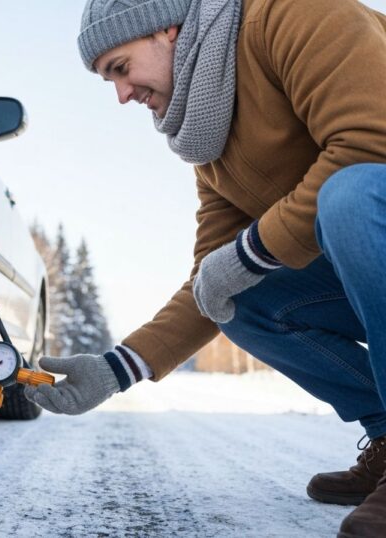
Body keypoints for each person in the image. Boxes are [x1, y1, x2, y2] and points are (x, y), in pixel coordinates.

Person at [23, 0, 386, 534]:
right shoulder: (211, 138)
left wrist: (251, 251)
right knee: (235, 295)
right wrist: (116, 368)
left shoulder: (295, 16)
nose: (121, 96)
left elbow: (370, 146)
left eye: (120, 69)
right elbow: (213, 280)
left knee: (349, 196)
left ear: (167, 29)